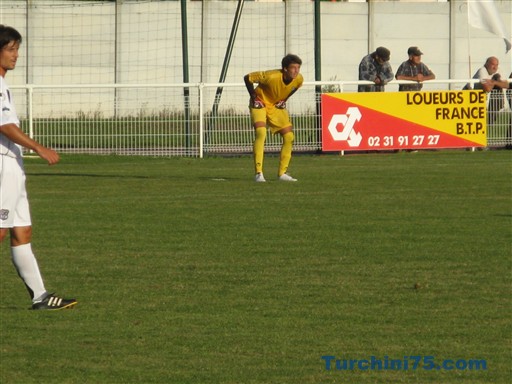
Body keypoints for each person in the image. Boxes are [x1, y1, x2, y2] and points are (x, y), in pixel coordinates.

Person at [0, 25, 77, 310]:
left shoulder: (3, 84)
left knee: (22, 232)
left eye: (17, 49)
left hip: (12, 166)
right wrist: (38, 147)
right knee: (2, 230)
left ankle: (40, 296)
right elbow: (4, 125)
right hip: (2, 166)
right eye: (10, 49)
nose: (16, 55)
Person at [244, 54, 303, 182]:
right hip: (260, 103)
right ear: (285, 69)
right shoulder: (271, 76)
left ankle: (282, 174)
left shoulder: (298, 79)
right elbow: (248, 78)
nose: (296, 71)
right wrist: (254, 98)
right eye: (293, 68)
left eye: (298, 67)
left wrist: (284, 99)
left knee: (289, 137)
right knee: (261, 132)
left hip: (275, 106)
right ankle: (258, 173)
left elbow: (295, 87)